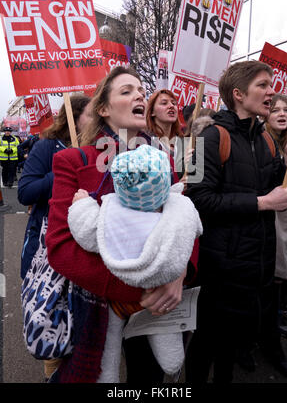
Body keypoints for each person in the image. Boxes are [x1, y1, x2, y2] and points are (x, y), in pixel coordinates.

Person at [45, 66, 198, 383]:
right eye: (126, 91)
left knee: (151, 377)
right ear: (103, 108)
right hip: (102, 303)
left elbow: (182, 218)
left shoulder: (163, 158)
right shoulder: (74, 160)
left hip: (155, 304)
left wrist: (177, 273)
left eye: (141, 90)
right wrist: (138, 284)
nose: (140, 94)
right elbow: (60, 248)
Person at [185, 60, 287, 383]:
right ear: (238, 94)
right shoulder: (209, 136)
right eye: (262, 85)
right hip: (220, 270)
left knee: (230, 348)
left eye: (271, 84)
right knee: (205, 344)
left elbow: (284, 188)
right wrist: (262, 203)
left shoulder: (265, 141)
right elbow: (196, 199)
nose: (271, 92)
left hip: (254, 268)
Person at [68, 144, 202, 382]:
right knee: (162, 323)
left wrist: (81, 204)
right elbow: (194, 228)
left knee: (109, 344)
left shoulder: (112, 212)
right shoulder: (178, 208)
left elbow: (86, 232)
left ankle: (108, 375)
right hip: (157, 294)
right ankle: (172, 358)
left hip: (116, 300)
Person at [18, 94, 91, 381]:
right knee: (52, 322)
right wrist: (64, 169)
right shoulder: (48, 146)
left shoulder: (102, 150)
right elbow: (26, 191)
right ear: (73, 116)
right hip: (46, 250)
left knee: (82, 325)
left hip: (84, 249)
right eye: (90, 113)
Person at [265, 94, 287, 337]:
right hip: (270, 215)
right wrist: (285, 161)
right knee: (274, 268)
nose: (281, 114)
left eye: (285, 109)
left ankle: (281, 307)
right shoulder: (263, 141)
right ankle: (271, 318)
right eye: (275, 109)